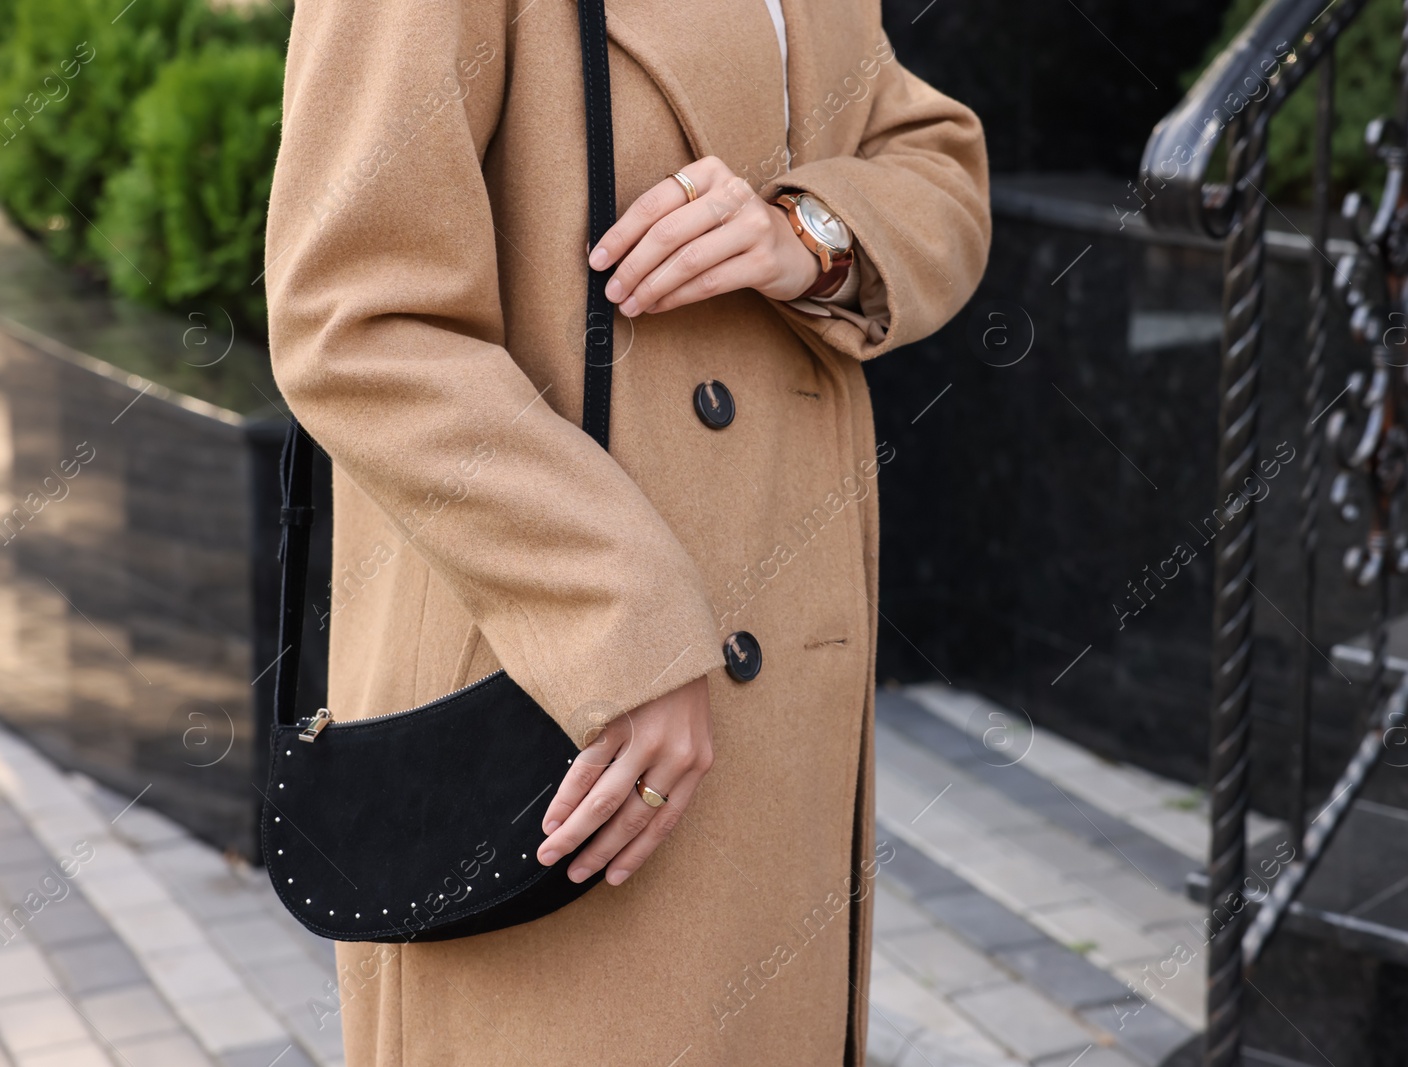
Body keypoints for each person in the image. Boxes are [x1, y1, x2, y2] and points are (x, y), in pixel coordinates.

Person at [264, 0, 988, 1063]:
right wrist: (620, 619)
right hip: (561, 696)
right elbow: (358, 321)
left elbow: (933, 156)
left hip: (776, 706)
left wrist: (811, 232)